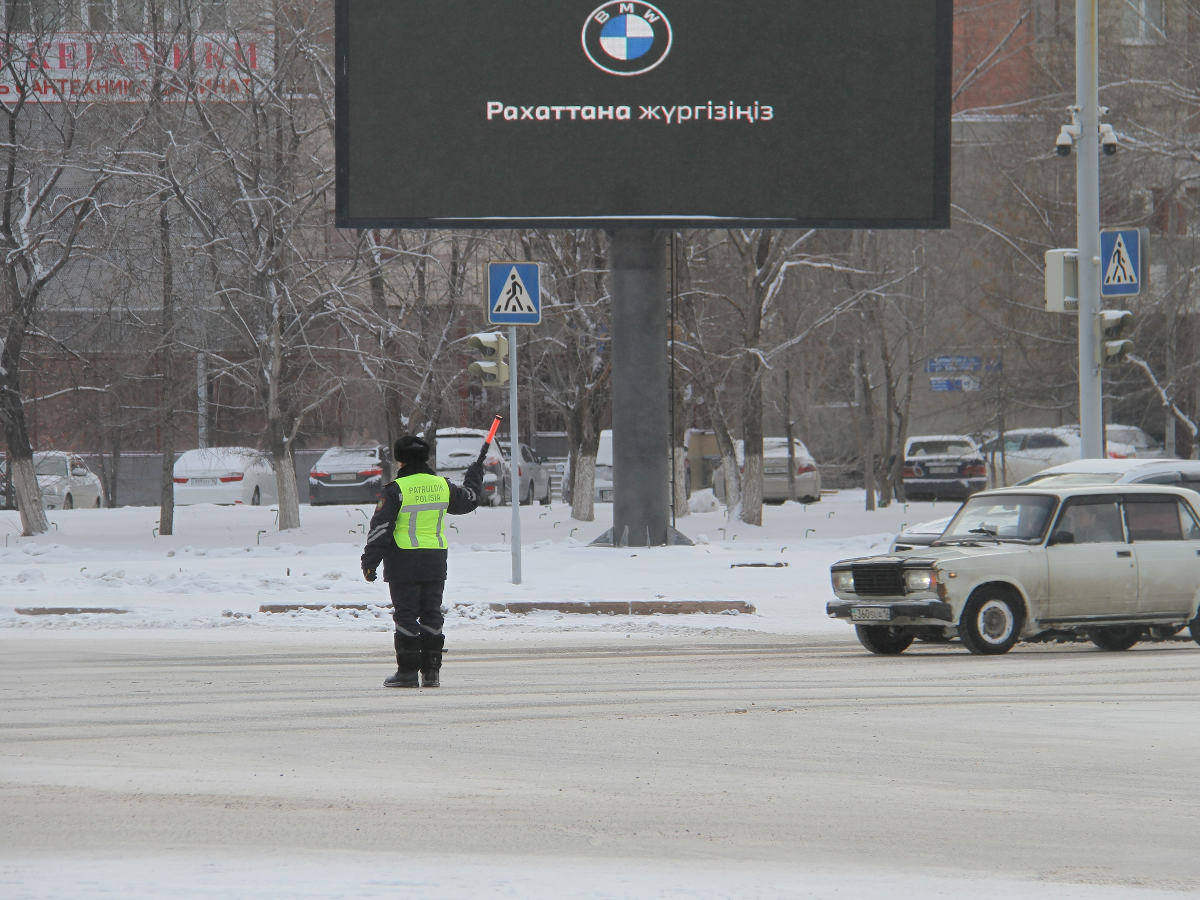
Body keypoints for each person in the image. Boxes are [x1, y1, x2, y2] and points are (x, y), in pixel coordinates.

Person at [361, 434, 484, 688]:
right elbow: (470, 499)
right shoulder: (442, 486)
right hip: (435, 561)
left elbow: (381, 528)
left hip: (403, 562)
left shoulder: (397, 490)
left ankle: (406, 672)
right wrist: (475, 472)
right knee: (431, 614)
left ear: (401, 461)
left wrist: (370, 561)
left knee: (406, 615)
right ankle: (431, 672)